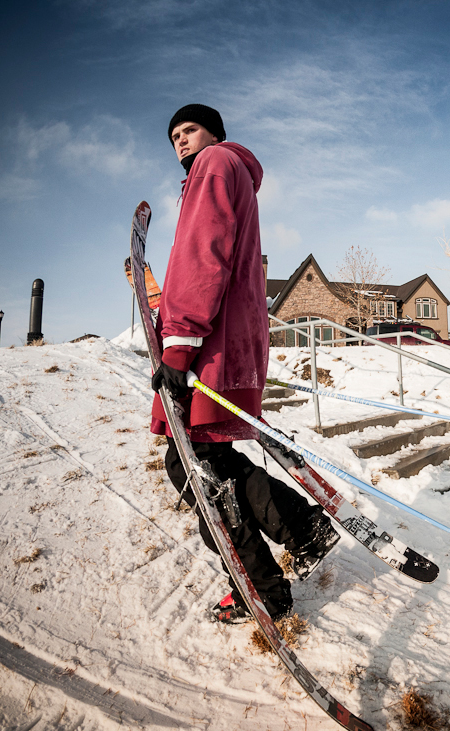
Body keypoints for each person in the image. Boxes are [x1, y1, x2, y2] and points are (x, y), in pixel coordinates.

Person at [152, 104, 337, 623]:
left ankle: (263, 584)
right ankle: (300, 530)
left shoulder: (213, 164)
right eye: (174, 137)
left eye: (189, 130)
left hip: (209, 344)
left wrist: (179, 341)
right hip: (235, 340)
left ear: (213, 133)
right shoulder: (235, 173)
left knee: (192, 465)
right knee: (213, 460)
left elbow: (200, 254)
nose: (181, 142)